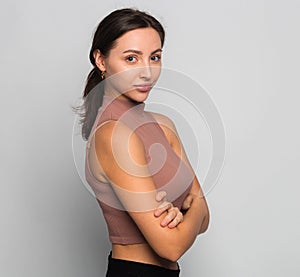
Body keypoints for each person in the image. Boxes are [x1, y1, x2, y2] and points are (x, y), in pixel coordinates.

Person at [78, 8, 209, 277]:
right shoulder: (113, 134)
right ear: (101, 60)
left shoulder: (162, 125)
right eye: (131, 58)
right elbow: (170, 246)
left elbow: (205, 222)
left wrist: (193, 213)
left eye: (155, 57)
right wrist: (194, 205)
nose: (147, 72)